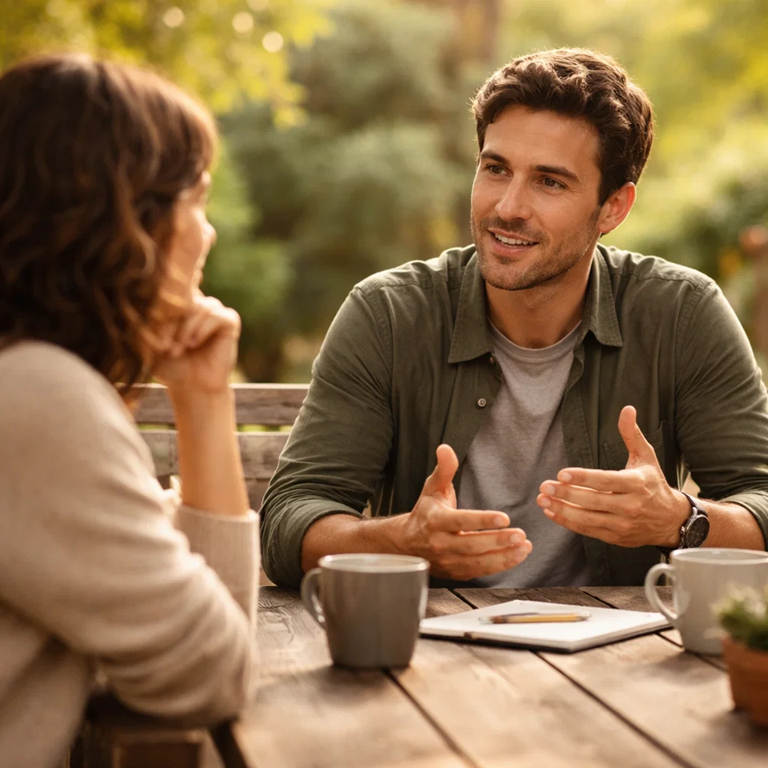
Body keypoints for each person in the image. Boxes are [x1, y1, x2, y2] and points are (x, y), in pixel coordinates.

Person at [260, 47, 768, 590]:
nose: (508, 207)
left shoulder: (682, 314)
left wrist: (679, 519)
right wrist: (403, 541)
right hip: (424, 652)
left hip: (625, 655)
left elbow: (760, 498)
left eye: (550, 182)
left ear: (614, 207)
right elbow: (290, 521)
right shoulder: (387, 314)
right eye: (495, 169)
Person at [0, 55, 258, 767]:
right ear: (130, 220)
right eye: (196, 199)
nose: (205, 233)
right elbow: (213, 675)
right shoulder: (36, 398)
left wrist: (202, 398)